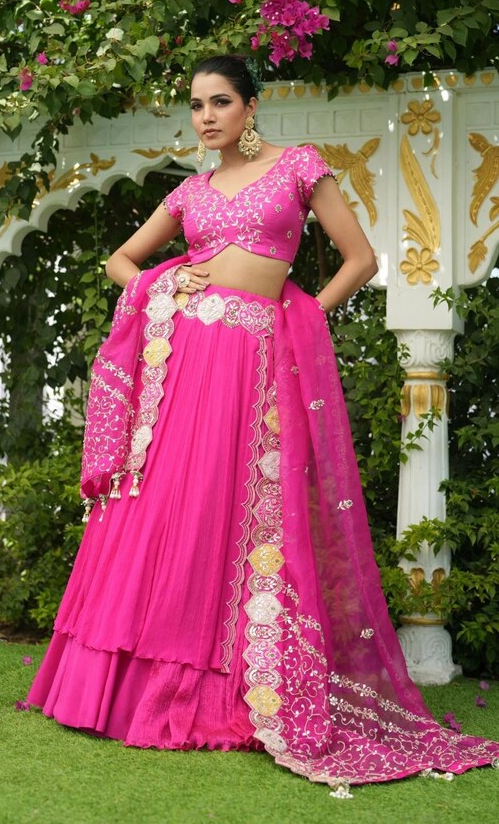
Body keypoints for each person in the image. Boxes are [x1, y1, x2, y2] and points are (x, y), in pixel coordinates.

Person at [28, 54, 499, 795]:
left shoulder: (299, 167)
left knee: (237, 514)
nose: (206, 116)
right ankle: (128, 690)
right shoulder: (191, 191)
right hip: (185, 366)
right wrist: (164, 282)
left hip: (258, 364)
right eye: (196, 105)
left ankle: (237, 686)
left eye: (220, 102)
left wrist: (299, 317)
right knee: (169, 511)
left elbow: (360, 259)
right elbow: (122, 262)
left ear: (250, 106)